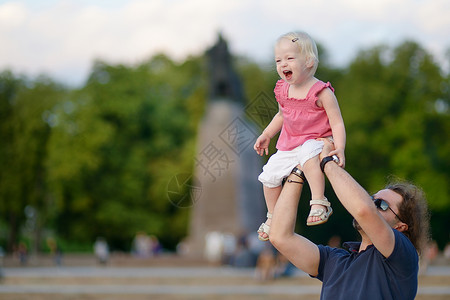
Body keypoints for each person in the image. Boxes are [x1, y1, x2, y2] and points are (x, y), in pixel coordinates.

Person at [269, 138, 430, 299]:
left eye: (381, 204)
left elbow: (364, 210)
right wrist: (300, 169)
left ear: (400, 227)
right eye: (371, 198)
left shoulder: (403, 255)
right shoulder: (334, 260)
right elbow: (280, 237)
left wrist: (327, 161)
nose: (372, 204)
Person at [254, 31, 346, 241]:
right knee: (268, 175)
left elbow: (337, 122)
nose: (282, 64)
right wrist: (267, 133)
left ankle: (319, 201)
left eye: (289, 58)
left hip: (318, 140)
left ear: (308, 61)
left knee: (307, 154)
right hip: (290, 144)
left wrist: (339, 147)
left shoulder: (321, 92)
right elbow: (281, 115)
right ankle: (272, 215)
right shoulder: (283, 90)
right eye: (278, 60)